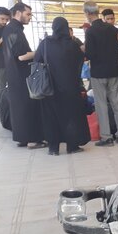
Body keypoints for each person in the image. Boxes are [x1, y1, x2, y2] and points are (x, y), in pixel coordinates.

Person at [34, 17, 90, 155]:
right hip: (70, 89)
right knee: (71, 117)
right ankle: (72, 146)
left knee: (51, 118)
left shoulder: (45, 43)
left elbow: (37, 61)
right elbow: (79, 64)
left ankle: (53, 148)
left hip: (49, 88)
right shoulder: (72, 45)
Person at [2, 2, 46, 149]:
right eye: (28, 14)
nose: (30, 18)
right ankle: (33, 139)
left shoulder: (9, 29)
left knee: (19, 108)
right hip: (22, 76)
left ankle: (23, 138)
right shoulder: (14, 30)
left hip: (14, 76)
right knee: (28, 107)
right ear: (18, 13)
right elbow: (21, 56)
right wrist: (40, 51)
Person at [83, 0, 118, 146]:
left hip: (98, 73)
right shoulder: (111, 29)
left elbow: (89, 54)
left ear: (88, 14)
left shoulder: (90, 31)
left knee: (101, 105)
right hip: (113, 71)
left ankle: (106, 137)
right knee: (116, 103)